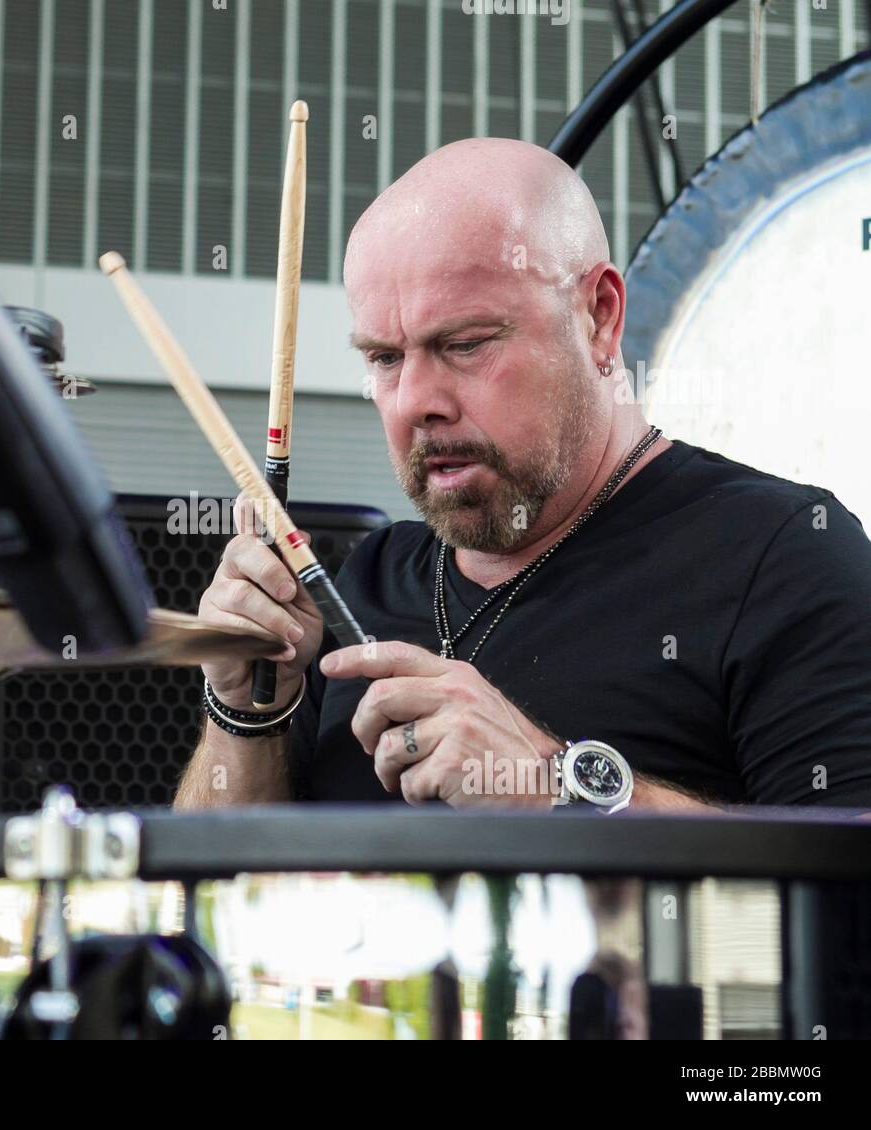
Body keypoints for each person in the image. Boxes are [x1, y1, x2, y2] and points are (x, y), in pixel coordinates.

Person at [176, 138, 871, 812]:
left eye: (466, 344)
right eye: (385, 358)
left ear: (599, 316)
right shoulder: (363, 583)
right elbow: (212, 901)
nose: (416, 401)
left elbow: (845, 899)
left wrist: (553, 784)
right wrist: (247, 713)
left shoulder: (785, 557)